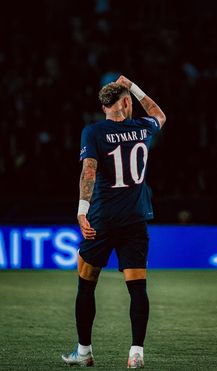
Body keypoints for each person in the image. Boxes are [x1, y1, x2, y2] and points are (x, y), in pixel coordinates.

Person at [62, 75, 166, 368]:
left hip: (102, 220)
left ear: (105, 105)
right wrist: (133, 86)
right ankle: (136, 353)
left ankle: (84, 352)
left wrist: (82, 210)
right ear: (124, 102)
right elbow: (159, 113)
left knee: (86, 282)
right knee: (137, 288)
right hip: (135, 219)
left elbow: (89, 173)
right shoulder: (142, 127)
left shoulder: (93, 132)